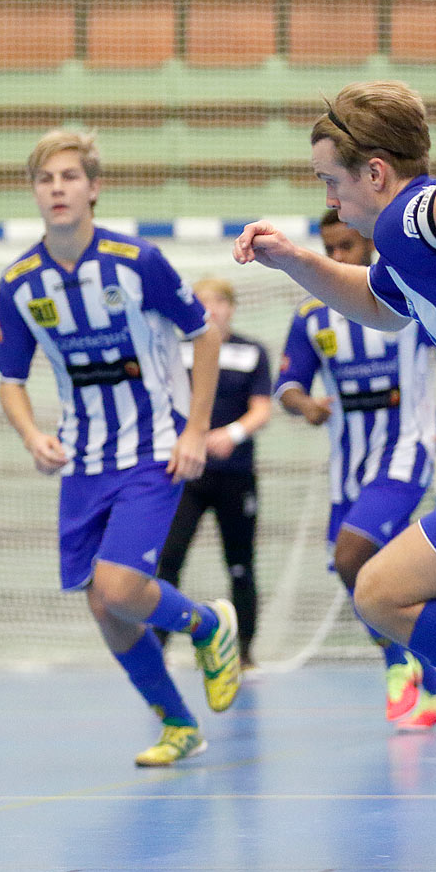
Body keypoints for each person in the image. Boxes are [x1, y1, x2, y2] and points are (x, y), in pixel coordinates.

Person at [0, 129, 242, 768]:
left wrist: (195, 431)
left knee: (122, 587)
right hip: (82, 462)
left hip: (152, 451)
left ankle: (210, 626)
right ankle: (179, 725)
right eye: (46, 180)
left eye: (69, 177)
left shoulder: (137, 261)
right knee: (104, 607)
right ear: (35, 194)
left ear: (93, 189)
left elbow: (203, 335)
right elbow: (9, 382)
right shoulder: (19, 282)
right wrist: (31, 433)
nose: (57, 189)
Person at [233, 79, 436, 710]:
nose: (330, 199)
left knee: (380, 590)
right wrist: (292, 260)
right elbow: (377, 303)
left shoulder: (410, 215)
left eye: (331, 181)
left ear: (375, 173)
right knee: (378, 590)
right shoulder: (404, 255)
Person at [273, 208, 436, 728]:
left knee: (353, 554)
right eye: (329, 249)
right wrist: (303, 405)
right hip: (348, 467)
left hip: (406, 452)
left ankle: (398, 666)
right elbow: (287, 384)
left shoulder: (403, 298)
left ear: (368, 247)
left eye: (346, 248)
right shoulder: (312, 316)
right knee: (366, 576)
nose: (336, 258)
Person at [156, 277, 272, 669]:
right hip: (185, 474)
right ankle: (157, 646)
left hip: (235, 474)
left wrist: (232, 434)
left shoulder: (251, 352)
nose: (211, 309)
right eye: (202, 302)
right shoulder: (176, 351)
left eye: (219, 301)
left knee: (240, 563)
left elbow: (261, 408)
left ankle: (245, 652)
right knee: (168, 559)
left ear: (232, 307)